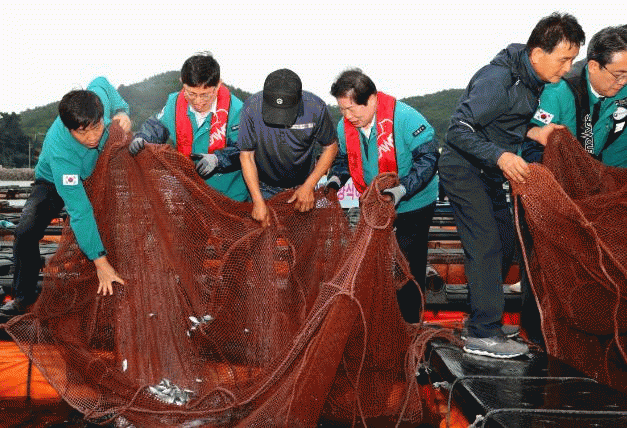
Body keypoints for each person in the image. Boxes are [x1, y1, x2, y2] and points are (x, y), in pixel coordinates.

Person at [438, 12, 585, 358]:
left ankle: (480, 318)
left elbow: (501, 124)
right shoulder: (498, 79)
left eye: (572, 60)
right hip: (463, 167)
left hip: (488, 169)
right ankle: (484, 333)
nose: (567, 68)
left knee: (505, 244)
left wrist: (535, 132)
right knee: (486, 245)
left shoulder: (533, 79)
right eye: (564, 59)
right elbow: (458, 130)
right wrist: (502, 156)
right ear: (538, 53)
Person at [0, 77, 131, 320]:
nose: (92, 137)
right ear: (70, 129)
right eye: (82, 132)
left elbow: (102, 82)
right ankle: (23, 297)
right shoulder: (61, 153)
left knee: (111, 222)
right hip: (53, 181)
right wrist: (100, 262)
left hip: (95, 171)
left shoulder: (96, 99)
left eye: (96, 127)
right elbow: (80, 211)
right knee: (25, 231)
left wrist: (123, 111)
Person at [326, 69, 439, 323]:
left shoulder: (406, 118)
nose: (347, 116)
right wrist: (335, 179)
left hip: (414, 202)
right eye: (342, 110)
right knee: (376, 261)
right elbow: (344, 160)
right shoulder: (345, 127)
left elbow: (429, 158)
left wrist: (402, 189)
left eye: (352, 109)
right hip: (376, 203)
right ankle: (381, 318)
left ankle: (409, 322)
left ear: (372, 99)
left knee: (407, 263)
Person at [129, 53, 248, 201]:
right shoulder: (173, 103)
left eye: (205, 95)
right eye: (191, 93)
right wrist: (142, 138)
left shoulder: (238, 110)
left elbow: (244, 149)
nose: (198, 101)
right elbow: (156, 126)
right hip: (190, 193)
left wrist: (218, 159)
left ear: (218, 85)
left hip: (230, 196)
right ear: (182, 83)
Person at [237, 69, 338, 227]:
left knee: (300, 236)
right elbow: (246, 156)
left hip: (302, 187)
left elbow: (330, 147)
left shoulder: (316, 108)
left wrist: (309, 185)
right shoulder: (251, 108)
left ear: (299, 100)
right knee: (261, 237)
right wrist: (257, 200)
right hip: (263, 186)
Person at [524, 26, 627, 166]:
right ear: (593, 66)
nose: (623, 82)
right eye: (619, 75)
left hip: (606, 171)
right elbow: (529, 147)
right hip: (562, 171)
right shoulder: (557, 91)